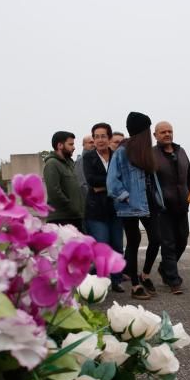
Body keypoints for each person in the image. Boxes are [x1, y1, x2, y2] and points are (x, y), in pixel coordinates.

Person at [107, 112, 163, 300]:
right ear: (142, 131)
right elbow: (112, 180)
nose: (149, 132)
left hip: (149, 202)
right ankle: (135, 285)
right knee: (133, 241)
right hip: (129, 204)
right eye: (147, 129)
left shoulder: (147, 151)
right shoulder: (122, 152)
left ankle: (145, 274)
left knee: (156, 239)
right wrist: (126, 197)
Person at [153, 121, 190, 294]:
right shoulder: (152, 154)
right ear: (155, 135)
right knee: (168, 244)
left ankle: (165, 268)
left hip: (182, 205)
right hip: (163, 208)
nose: (167, 134)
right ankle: (173, 280)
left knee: (182, 241)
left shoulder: (181, 151)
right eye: (163, 132)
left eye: (169, 131)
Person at [83, 123, 125, 292]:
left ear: (109, 138)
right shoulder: (88, 157)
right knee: (102, 246)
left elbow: (123, 180)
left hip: (116, 209)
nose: (100, 140)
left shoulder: (118, 157)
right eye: (97, 137)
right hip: (96, 211)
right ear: (93, 139)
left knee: (117, 246)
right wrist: (112, 183)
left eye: (103, 136)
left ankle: (116, 280)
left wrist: (106, 184)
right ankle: (100, 281)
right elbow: (92, 181)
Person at [42, 131, 85, 229]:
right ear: (60, 145)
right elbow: (54, 192)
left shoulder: (69, 164)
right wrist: (72, 207)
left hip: (74, 217)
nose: (73, 147)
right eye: (70, 144)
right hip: (61, 220)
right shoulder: (52, 164)